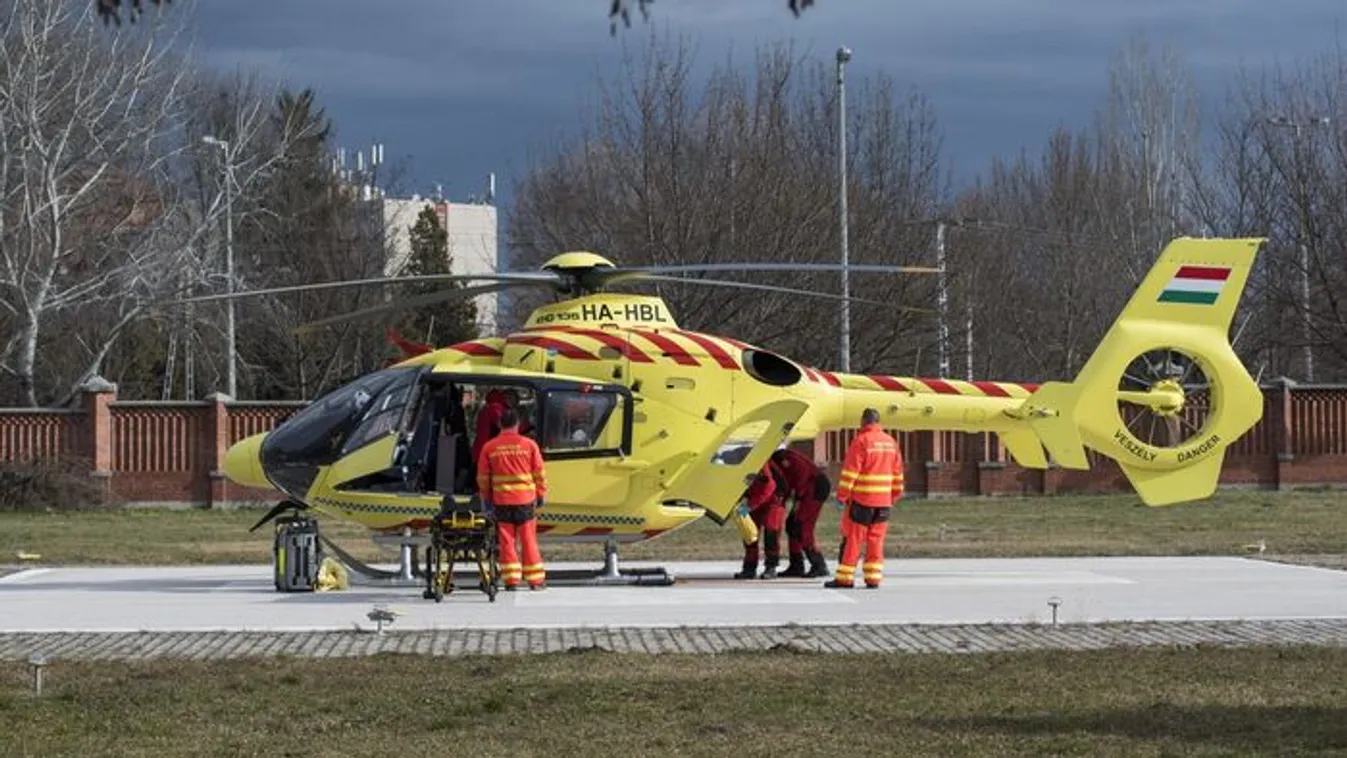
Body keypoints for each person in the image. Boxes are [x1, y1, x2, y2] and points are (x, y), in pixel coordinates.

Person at [826, 408, 904, 589]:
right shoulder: (891, 442)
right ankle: (873, 578)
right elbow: (898, 474)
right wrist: (893, 496)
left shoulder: (861, 441)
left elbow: (850, 473)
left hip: (863, 501)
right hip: (883, 503)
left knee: (854, 540)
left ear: (863, 421)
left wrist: (842, 496)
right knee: (876, 540)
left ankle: (845, 578)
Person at [476, 407, 548, 591]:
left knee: (506, 540)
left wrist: (486, 498)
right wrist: (541, 493)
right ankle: (535, 580)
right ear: (518, 424)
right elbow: (539, 472)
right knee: (528, 539)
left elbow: (483, 477)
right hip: (525, 500)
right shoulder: (529, 445)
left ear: (500, 424)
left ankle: (511, 580)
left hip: (502, 501)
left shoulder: (490, 447)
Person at [770, 447, 831, 578]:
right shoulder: (778, 459)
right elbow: (786, 483)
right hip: (808, 489)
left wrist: (798, 499)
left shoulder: (783, 458)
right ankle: (796, 565)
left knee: (801, 526)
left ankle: (819, 565)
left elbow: (801, 476)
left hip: (814, 488)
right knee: (792, 525)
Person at [733, 461, 788, 580]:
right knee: (750, 532)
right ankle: (749, 568)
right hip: (754, 499)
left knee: (771, 532)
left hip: (773, 500)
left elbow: (769, 487)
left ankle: (771, 567)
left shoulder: (760, 463)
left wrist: (750, 506)